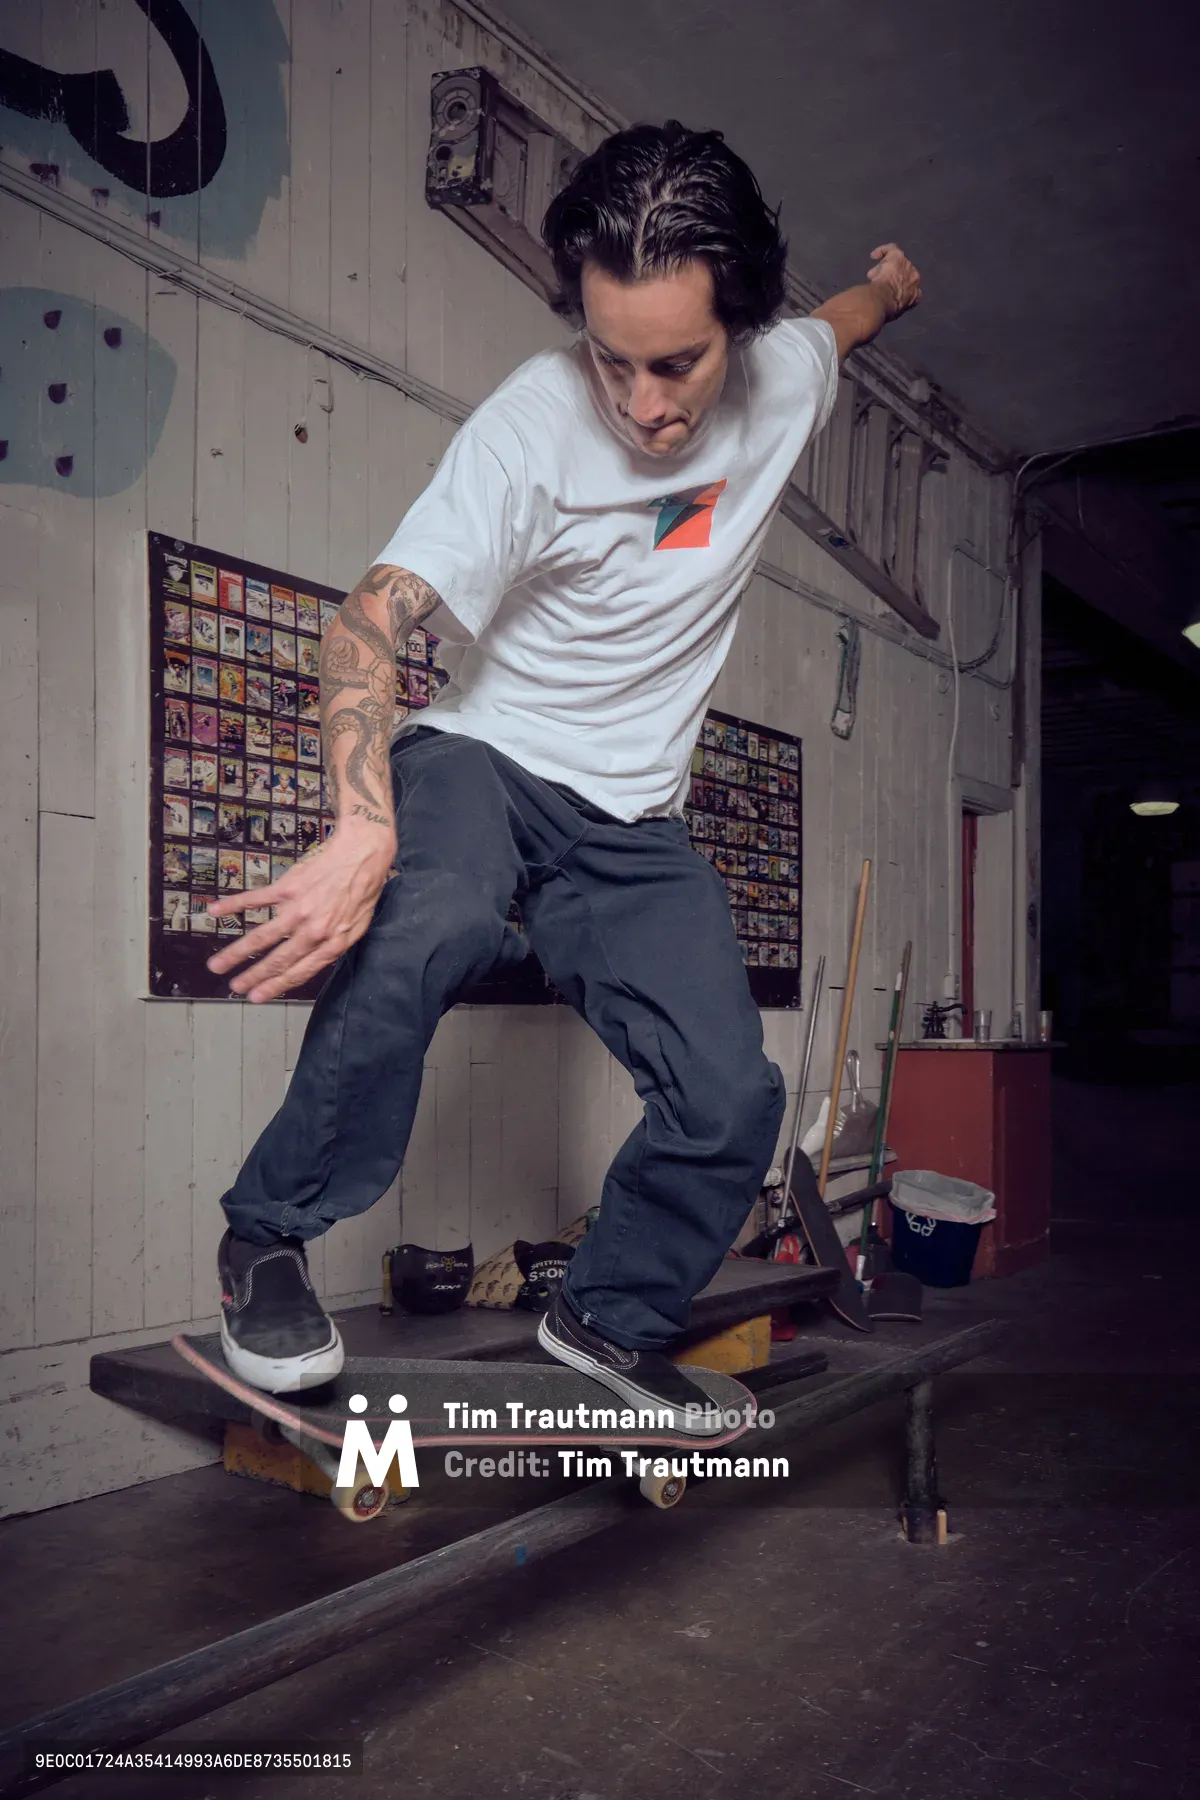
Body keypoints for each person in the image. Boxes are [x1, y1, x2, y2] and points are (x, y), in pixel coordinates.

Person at [207, 121, 920, 1424]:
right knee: (431, 918)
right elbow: (365, 624)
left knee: (730, 1097)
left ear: (740, 326)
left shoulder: (788, 376)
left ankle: (603, 1319)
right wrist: (364, 826)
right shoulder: (530, 428)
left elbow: (844, 322)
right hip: (486, 756)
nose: (641, 405)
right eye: (610, 358)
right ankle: (264, 1238)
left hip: (632, 817)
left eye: (676, 364)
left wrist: (890, 286)